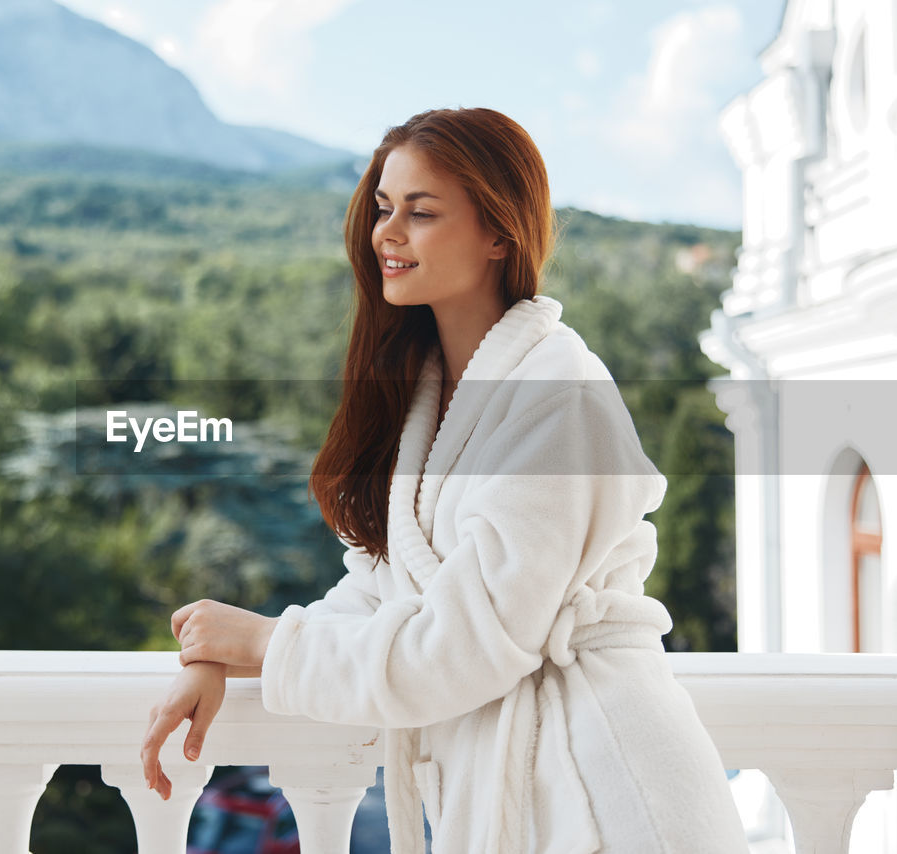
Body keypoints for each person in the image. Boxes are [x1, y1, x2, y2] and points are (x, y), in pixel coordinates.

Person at [139, 107, 747, 853]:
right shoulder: (425, 397)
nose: (388, 233)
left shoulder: (561, 393)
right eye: (384, 209)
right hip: (509, 793)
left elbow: (461, 646)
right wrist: (218, 654)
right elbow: (377, 595)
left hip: (611, 791)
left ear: (500, 234)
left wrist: (270, 645)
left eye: (421, 213)